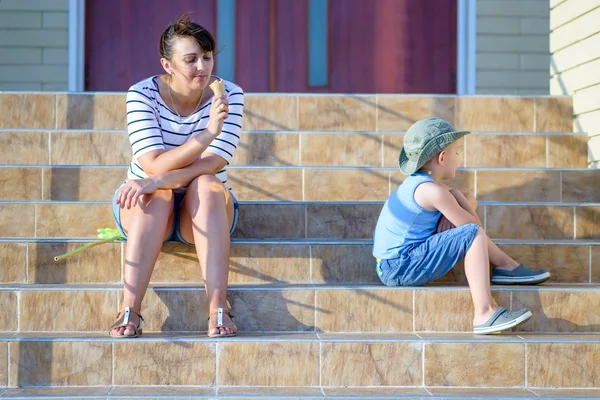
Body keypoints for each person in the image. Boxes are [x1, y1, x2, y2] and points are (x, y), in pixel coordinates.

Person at [108, 14, 243, 338]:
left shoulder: (229, 96)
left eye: (207, 57)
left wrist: (160, 177)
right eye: (191, 59)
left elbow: (213, 164)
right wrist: (208, 132)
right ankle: (130, 308)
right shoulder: (141, 94)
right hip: (146, 203)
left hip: (204, 209)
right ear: (167, 65)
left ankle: (218, 308)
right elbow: (153, 164)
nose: (202, 67)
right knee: (157, 195)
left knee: (208, 186)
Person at [372, 117, 551, 334]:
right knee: (472, 232)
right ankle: (485, 312)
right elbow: (473, 225)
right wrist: (458, 197)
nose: (458, 158)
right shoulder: (433, 191)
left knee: (464, 225)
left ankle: (506, 266)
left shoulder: (422, 185)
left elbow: (466, 202)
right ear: (442, 157)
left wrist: (459, 199)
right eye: (456, 152)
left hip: (395, 264)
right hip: (400, 266)